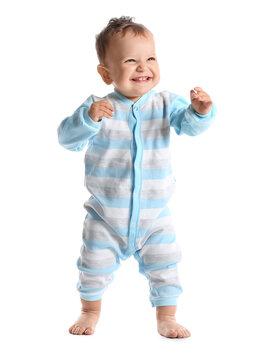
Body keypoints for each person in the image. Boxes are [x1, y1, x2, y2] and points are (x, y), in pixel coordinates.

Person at [57, 16, 217, 338]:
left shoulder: (166, 103)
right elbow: (67, 139)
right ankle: (89, 310)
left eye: (151, 58)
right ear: (106, 73)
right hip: (106, 215)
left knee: (166, 265)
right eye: (130, 60)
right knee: (92, 265)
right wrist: (87, 120)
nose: (143, 67)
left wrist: (200, 111)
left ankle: (166, 317)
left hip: (154, 215)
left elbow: (189, 126)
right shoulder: (99, 108)